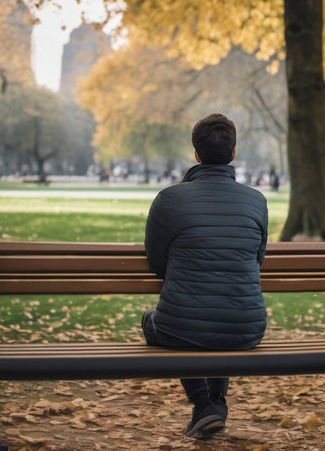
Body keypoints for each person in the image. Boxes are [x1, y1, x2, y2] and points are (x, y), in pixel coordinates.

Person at [141, 113, 268, 439]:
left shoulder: (169, 199)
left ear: (196, 155)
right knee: (216, 315)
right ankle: (217, 401)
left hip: (182, 326)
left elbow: (157, 262)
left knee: (158, 321)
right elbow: (258, 260)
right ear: (233, 153)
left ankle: (204, 403)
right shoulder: (257, 201)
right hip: (246, 326)